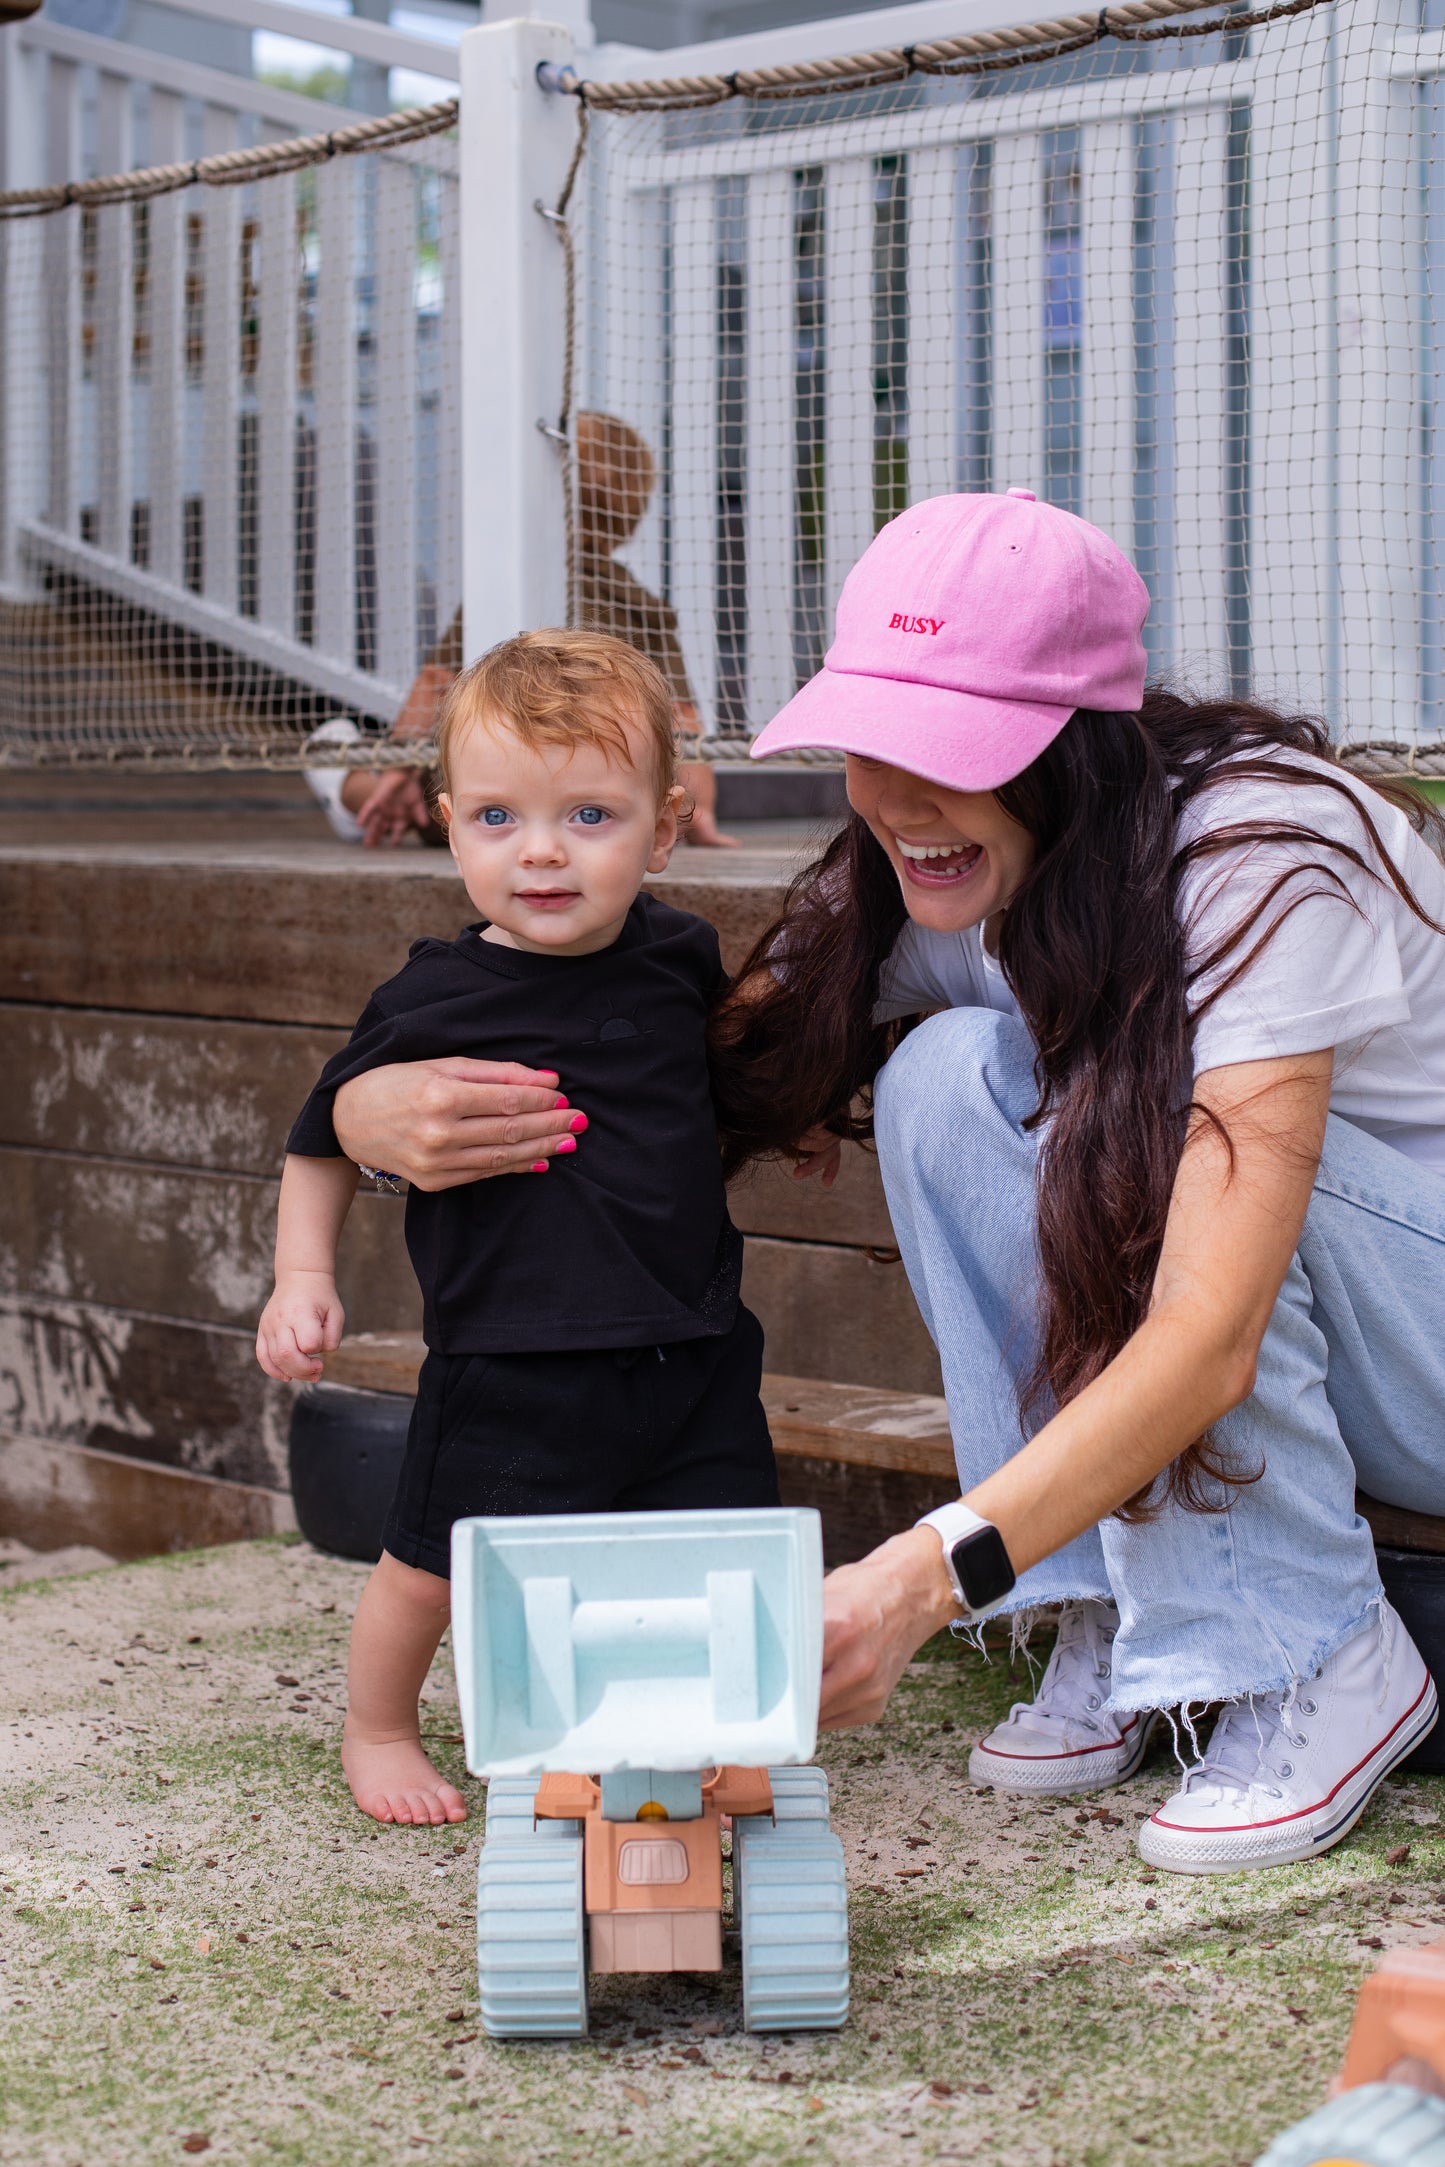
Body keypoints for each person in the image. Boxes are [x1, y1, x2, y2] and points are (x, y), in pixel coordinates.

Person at [325, 489, 1444, 1877]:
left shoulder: (1254, 854)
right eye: (877, 741)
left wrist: (925, 1577)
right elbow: (688, 1061)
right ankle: (1099, 1602)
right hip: (1318, 1344)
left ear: (1074, 743)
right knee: (942, 1077)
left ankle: (1317, 1649)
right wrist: (374, 1117)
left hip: (1424, 1350)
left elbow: (1211, 1332)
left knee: (1146, 1122)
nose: (899, 799)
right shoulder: (958, 869)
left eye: (953, 751)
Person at [256, 629, 777, 1827]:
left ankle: (701, 1735)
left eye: (588, 816)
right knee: (432, 1559)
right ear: (449, 824)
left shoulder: (677, 956)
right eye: (498, 818)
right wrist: (300, 1278)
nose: (539, 851)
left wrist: (787, 1113)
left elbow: (721, 1065)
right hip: (510, 1356)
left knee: (717, 1553)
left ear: (664, 823)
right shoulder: (432, 997)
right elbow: (320, 1134)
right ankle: (378, 1724)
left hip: (690, 1341)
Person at [303, 411, 738, 851]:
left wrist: (398, 770)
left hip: (494, 804)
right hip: (597, 802)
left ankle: (364, 799)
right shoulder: (642, 608)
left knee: (362, 762)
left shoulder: (501, 588)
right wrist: (698, 816)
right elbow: (683, 721)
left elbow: (437, 683)